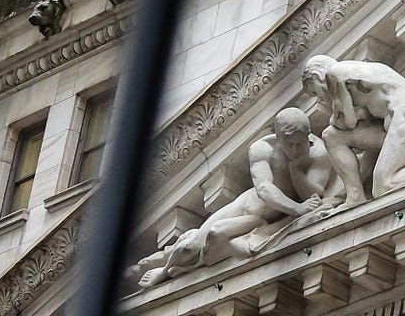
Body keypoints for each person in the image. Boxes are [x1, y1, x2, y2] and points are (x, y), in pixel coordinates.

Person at [132, 108, 333, 287]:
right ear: (278, 137)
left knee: (211, 239)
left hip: (264, 220)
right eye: (290, 144)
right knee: (189, 247)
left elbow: (313, 195)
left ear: (308, 135)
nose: (296, 150)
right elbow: (264, 188)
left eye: (300, 143)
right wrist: (297, 209)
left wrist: (295, 168)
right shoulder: (262, 149)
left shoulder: (319, 152)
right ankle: (164, 269)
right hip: (246, 207)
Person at [300, 53, 405, 203]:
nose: (319, 99)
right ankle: (354, 197)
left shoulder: (336, 73)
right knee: (332, 136)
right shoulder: (359, 77)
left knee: (383, 186)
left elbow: (346, 122)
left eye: (315, 92)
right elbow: (369, 153)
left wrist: (333, 112)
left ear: (317, 76)